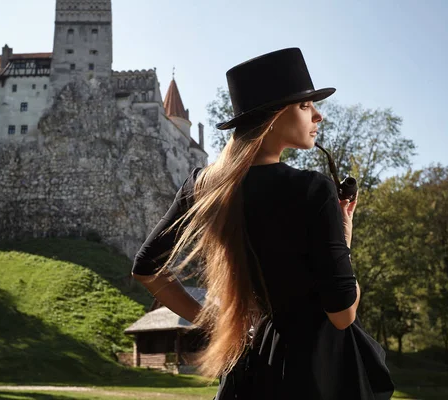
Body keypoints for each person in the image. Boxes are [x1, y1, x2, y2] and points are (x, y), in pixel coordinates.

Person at [131, 48, 394, 399]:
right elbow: (342, 313)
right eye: (305, 106)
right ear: (273, 117)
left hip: (247, 371)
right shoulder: (313, 190)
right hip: (313, 375)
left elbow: (146, 269)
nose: (318, 116)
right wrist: (343, 244)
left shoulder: (202, 185)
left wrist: (219, 323)